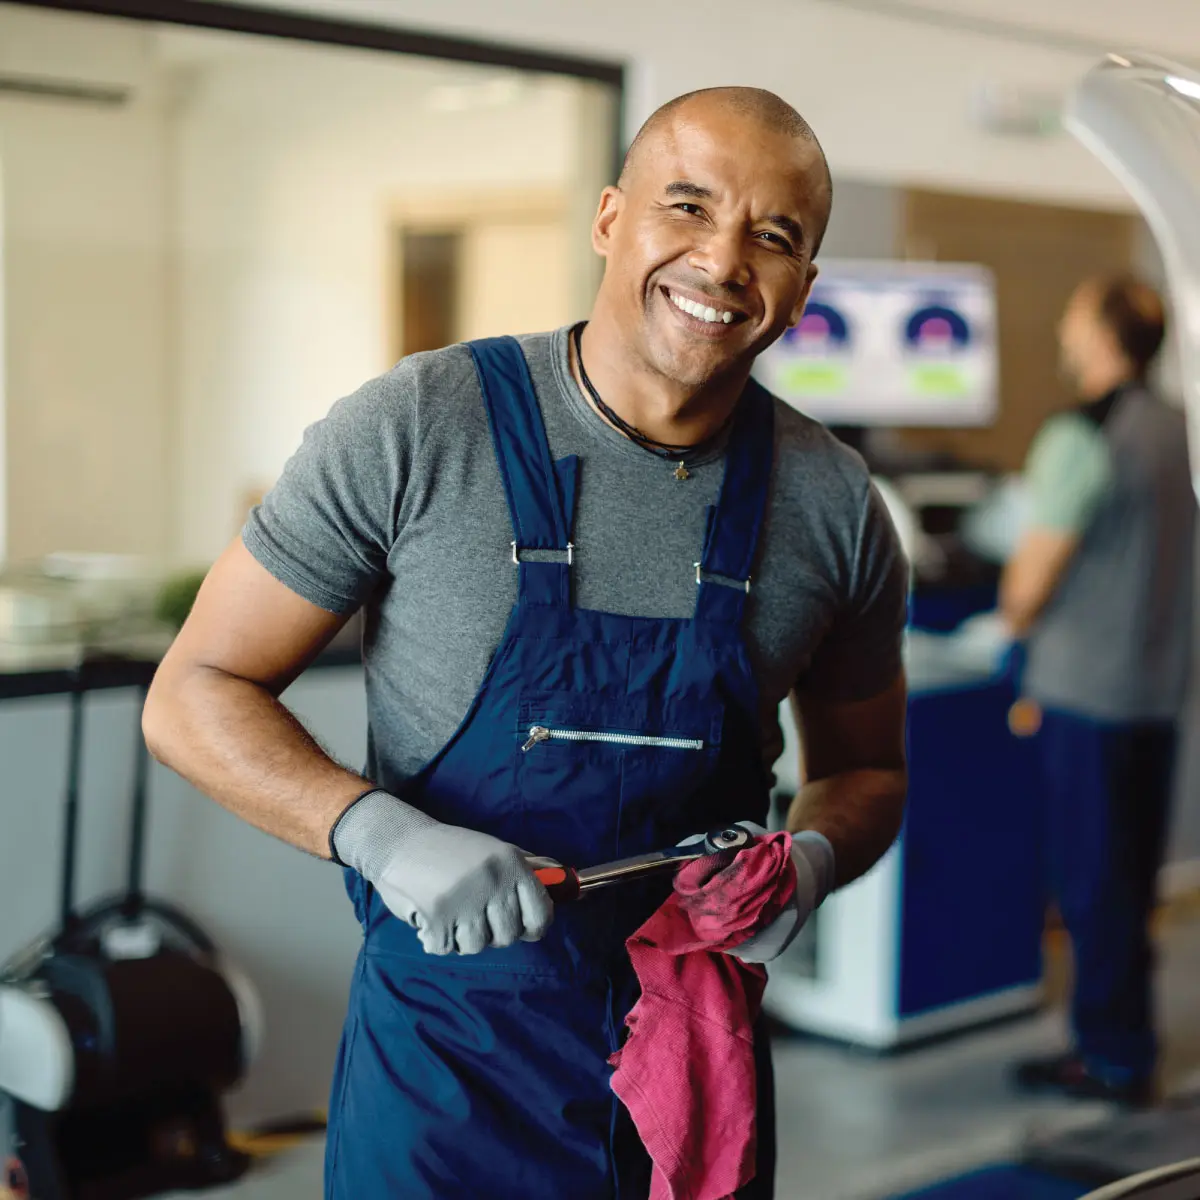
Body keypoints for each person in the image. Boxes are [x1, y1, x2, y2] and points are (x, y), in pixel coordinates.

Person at [142, 86, 910, 1198]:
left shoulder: (834, 506)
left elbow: (868, 770)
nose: (724, 260)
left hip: (693, 1091)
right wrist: (377, 833)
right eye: (686, 207)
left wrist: (816, 860)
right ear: (610, 219)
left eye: (774, 237)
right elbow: (193, 691)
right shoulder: (418, 426)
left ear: (805, 285)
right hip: (445, 1092)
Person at [1001, 273, 1195, 1106]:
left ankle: (1110, 1056)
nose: (1066, 327)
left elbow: (1027, 588)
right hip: (1156, 691)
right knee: (1129, 880)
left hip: (1084, 692)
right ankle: (1126, 1040)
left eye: (1077, 315)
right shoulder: (1180, 430)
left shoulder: (1084, 433)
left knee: (1089, 884)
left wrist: (1009, 604)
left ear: (1106, 336)